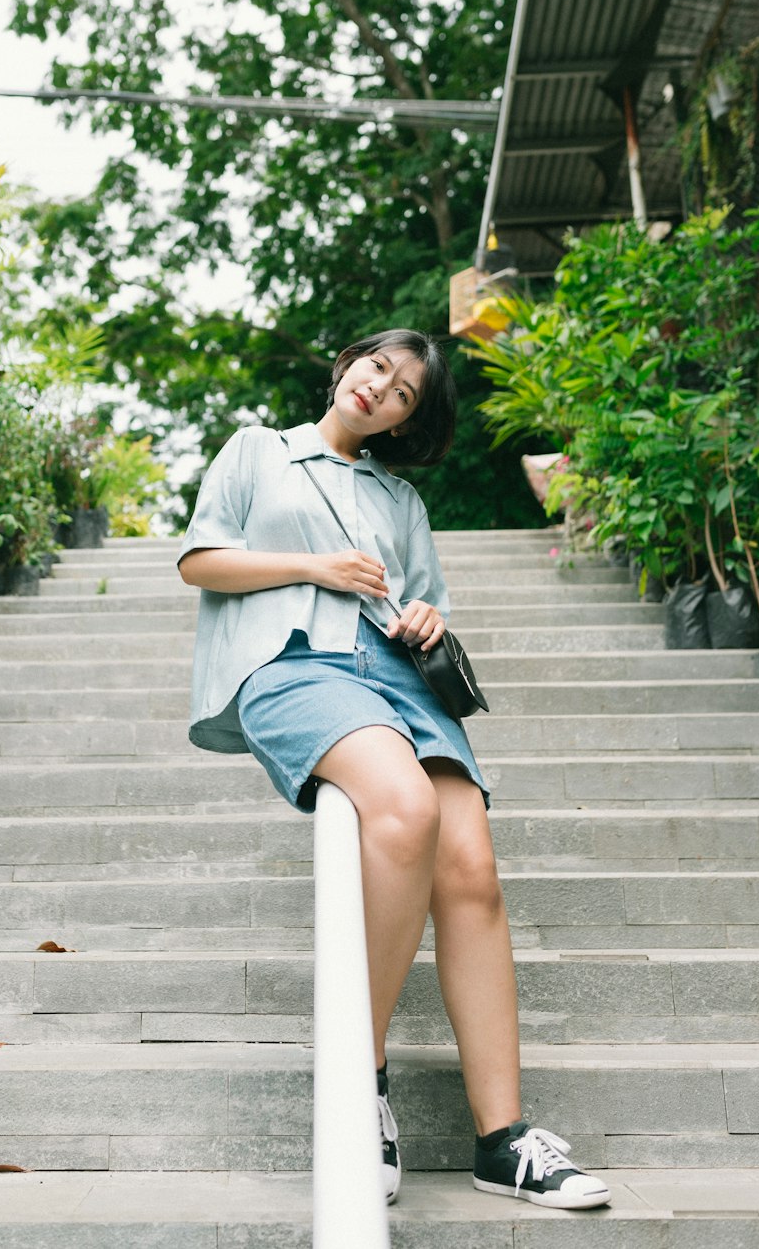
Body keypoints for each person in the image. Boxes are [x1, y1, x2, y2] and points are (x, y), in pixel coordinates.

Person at [177, 328, 610, 1211]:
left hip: (402, 682)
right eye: (377, 367)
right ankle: (359, 1076)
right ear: (346, 366)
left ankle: (504, 1141)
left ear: (405, 422)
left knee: (472, 873)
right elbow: (200, 560)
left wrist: (423, 622)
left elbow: (429, 605)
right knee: (403, 809)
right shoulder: (261, 452)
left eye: (405, 393)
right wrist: (315, 567)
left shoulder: (400, 499)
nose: (382, 387)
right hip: (296, 666)